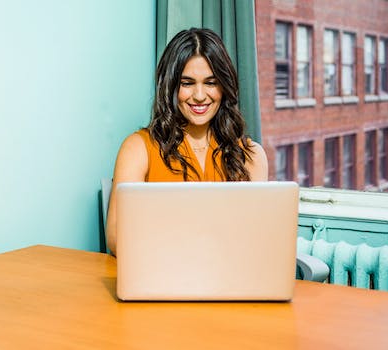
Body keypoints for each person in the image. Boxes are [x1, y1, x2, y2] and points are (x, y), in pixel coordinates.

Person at [106, 28, 268, 256]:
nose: (200, 95)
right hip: (161, 275)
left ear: (224, 86)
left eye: (211, 83)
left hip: (230, 281)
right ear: (171, 86)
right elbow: (116, 238)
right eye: (187, 83)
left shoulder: (251, 155)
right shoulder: (137, 148)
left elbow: (256, 239)